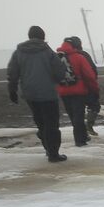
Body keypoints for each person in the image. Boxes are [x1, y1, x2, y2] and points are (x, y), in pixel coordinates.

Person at [6, 25, 69, 162]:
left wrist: (12, 90)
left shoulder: (19, 52)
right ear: (43, 36)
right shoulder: (47, 52)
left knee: (41, 122)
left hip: (30, 94)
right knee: (51, 124)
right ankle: (53, 153)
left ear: (29, 36)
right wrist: (58, 79)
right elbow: (59, 71)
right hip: (48, 93)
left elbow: (12, 72)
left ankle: (47, 147)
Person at [57, 37, 100, 147]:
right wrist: (94, 89)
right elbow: (89, 75)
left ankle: (82, 136)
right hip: (78, 90)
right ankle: (80, 139)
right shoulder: (79, 57)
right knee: (78, 116)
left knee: (72, 115)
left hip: (63, 91)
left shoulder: (57, 57)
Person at [65, 37, 102, 137]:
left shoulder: (60, 56)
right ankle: (87, 128)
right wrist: (94, 88)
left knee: (74, 113)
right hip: (84, 88)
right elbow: (91, 72)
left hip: (65, 90)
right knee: (93, 106)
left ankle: (80, 134)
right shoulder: (82, 55)